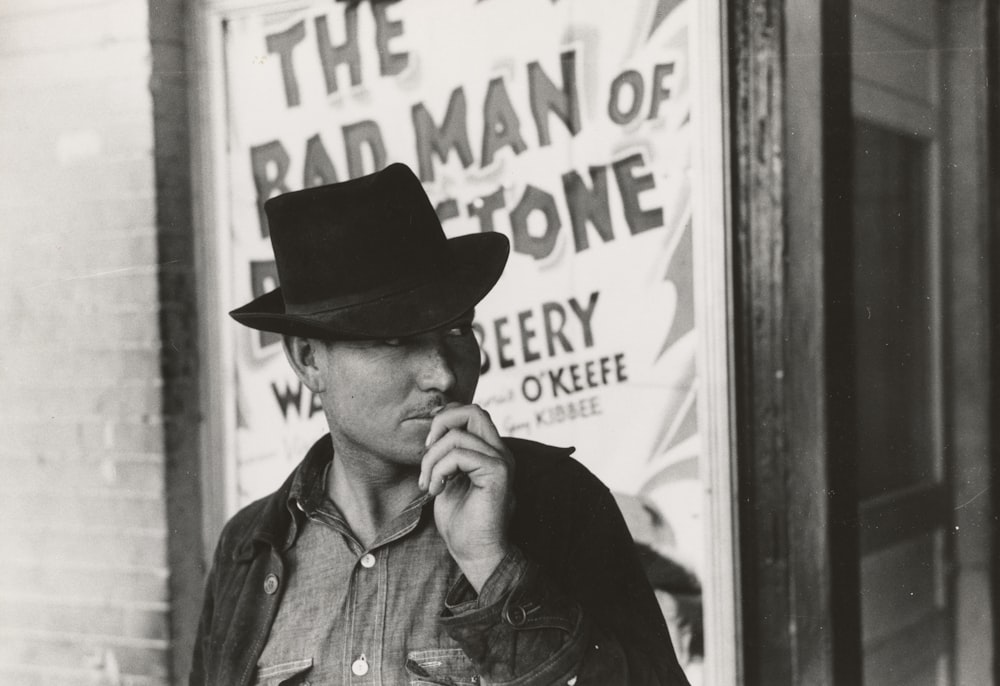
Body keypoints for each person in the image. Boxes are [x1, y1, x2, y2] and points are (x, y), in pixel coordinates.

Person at [190, 162, 690, 685]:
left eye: (456, 329)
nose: (444, 373)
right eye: (394, 339)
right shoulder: (251, 546)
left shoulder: (560, 505)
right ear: (309, 359)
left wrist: (493, 567)